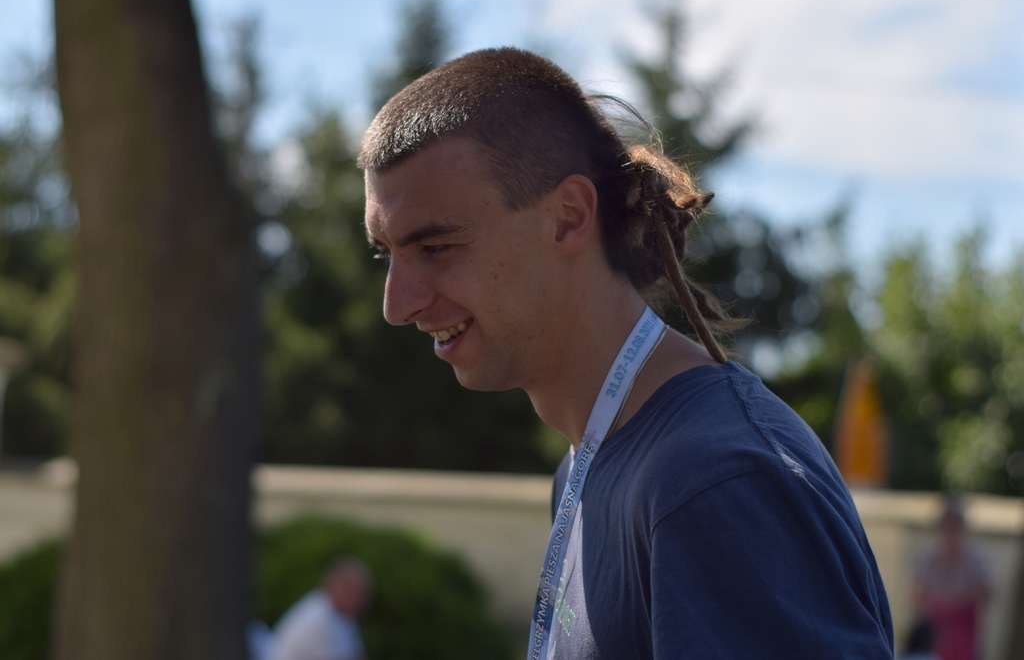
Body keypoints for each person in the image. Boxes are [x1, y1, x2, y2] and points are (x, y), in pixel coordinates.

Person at [360, 47, 894, 659]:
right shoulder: (592, 465)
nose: (396, 304)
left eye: (436, 248)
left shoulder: (717, 483)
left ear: (568, 217)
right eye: (386, 254)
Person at [911, 496, 992, 660]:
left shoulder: (975, 558)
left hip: (964, 635)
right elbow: (913, 592)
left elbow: (989, 590)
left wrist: (959, 601)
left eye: (954, 525)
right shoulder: (927, 557)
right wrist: (939, 604)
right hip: (933, 632)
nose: (950, 530)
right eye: (946, 524)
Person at [267, 557, 373, 660]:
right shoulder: (317, 620)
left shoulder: (344, 614)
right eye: (357, 593)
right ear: (340, 587)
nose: (362, 600)